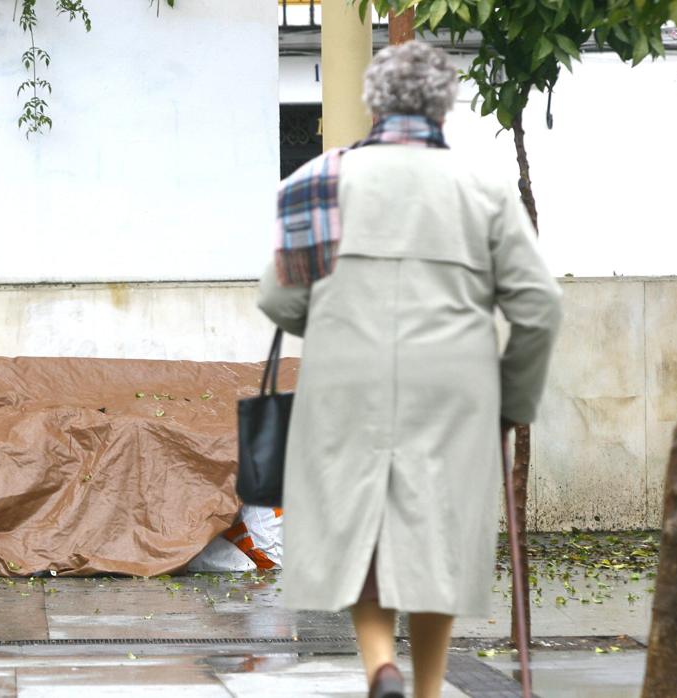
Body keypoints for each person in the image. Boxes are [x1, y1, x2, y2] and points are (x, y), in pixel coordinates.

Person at [256, 41, 562, 698]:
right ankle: (425, 689)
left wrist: (339, 319)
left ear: (373, 103)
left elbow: (278, 299)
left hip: (346, 380)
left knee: (357, 522)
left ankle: (380, 668)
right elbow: (538, 304)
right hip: (454, 387)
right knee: (437, 533)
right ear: (444, 108)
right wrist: (514, 398)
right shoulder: (482, 191)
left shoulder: (320, 179)